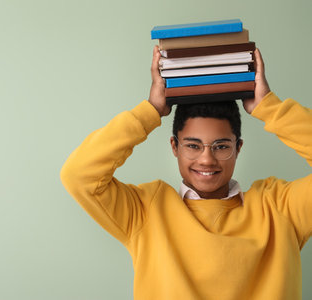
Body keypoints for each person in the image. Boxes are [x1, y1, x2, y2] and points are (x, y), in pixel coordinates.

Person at [60, 46, 312, 300]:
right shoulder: (146, 211)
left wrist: (269, 107)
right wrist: (151, 109)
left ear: (238, 148)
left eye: (221, 146)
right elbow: (79, 174)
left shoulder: (280, 208)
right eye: (193, 145)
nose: (206, 159)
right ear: (174, 147)